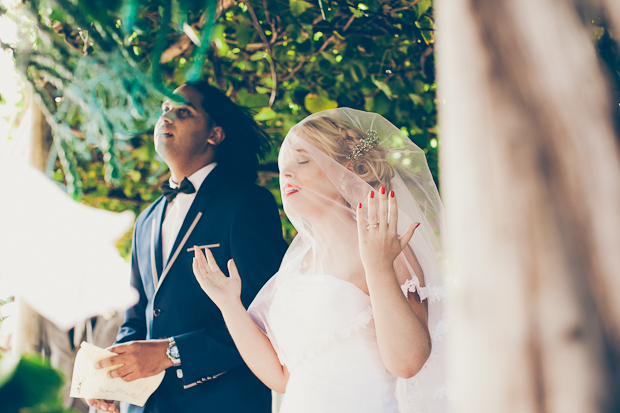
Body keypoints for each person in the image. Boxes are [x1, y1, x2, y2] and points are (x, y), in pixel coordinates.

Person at [193, 108, 450, 412]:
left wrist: (378, 267)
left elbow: (408, 363)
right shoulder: (296, 266)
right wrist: (228, 305)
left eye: (303, 160)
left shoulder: (386, 248)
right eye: (283, 166)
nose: (286, 173)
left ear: (348, 169)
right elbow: (282, 377)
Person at [87, 82, 288, 413]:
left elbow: (264, 315)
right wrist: (113, 373)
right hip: (146, 406)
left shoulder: (246, 204)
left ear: (215, 134)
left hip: (221, 403)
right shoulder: (146, 220)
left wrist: (171, 352)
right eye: (164, 110)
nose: (166, 118)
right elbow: (138, 316)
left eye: (183, 112)